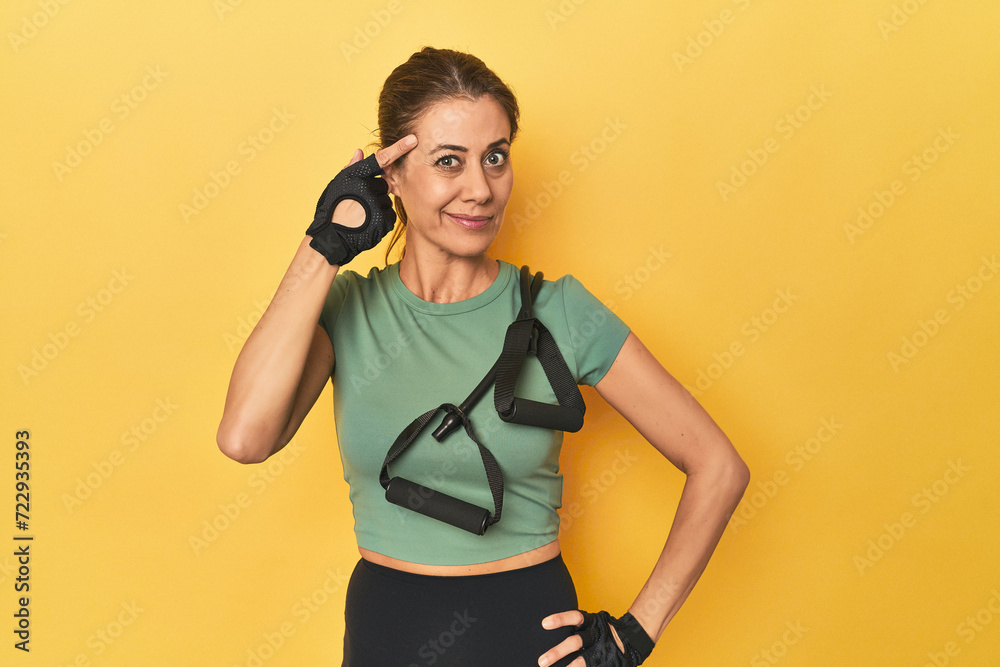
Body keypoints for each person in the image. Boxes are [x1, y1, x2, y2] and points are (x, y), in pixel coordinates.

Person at [217, 46, 750, 667]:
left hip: (528, 637)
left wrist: (635, 634)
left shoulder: (558, 311)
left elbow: (719, 467)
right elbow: (244, 438)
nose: (481, 189)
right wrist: (324, 244)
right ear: (391, 175)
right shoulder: (344, 310)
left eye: (495, 158)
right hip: (385, 638)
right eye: (450, 162)